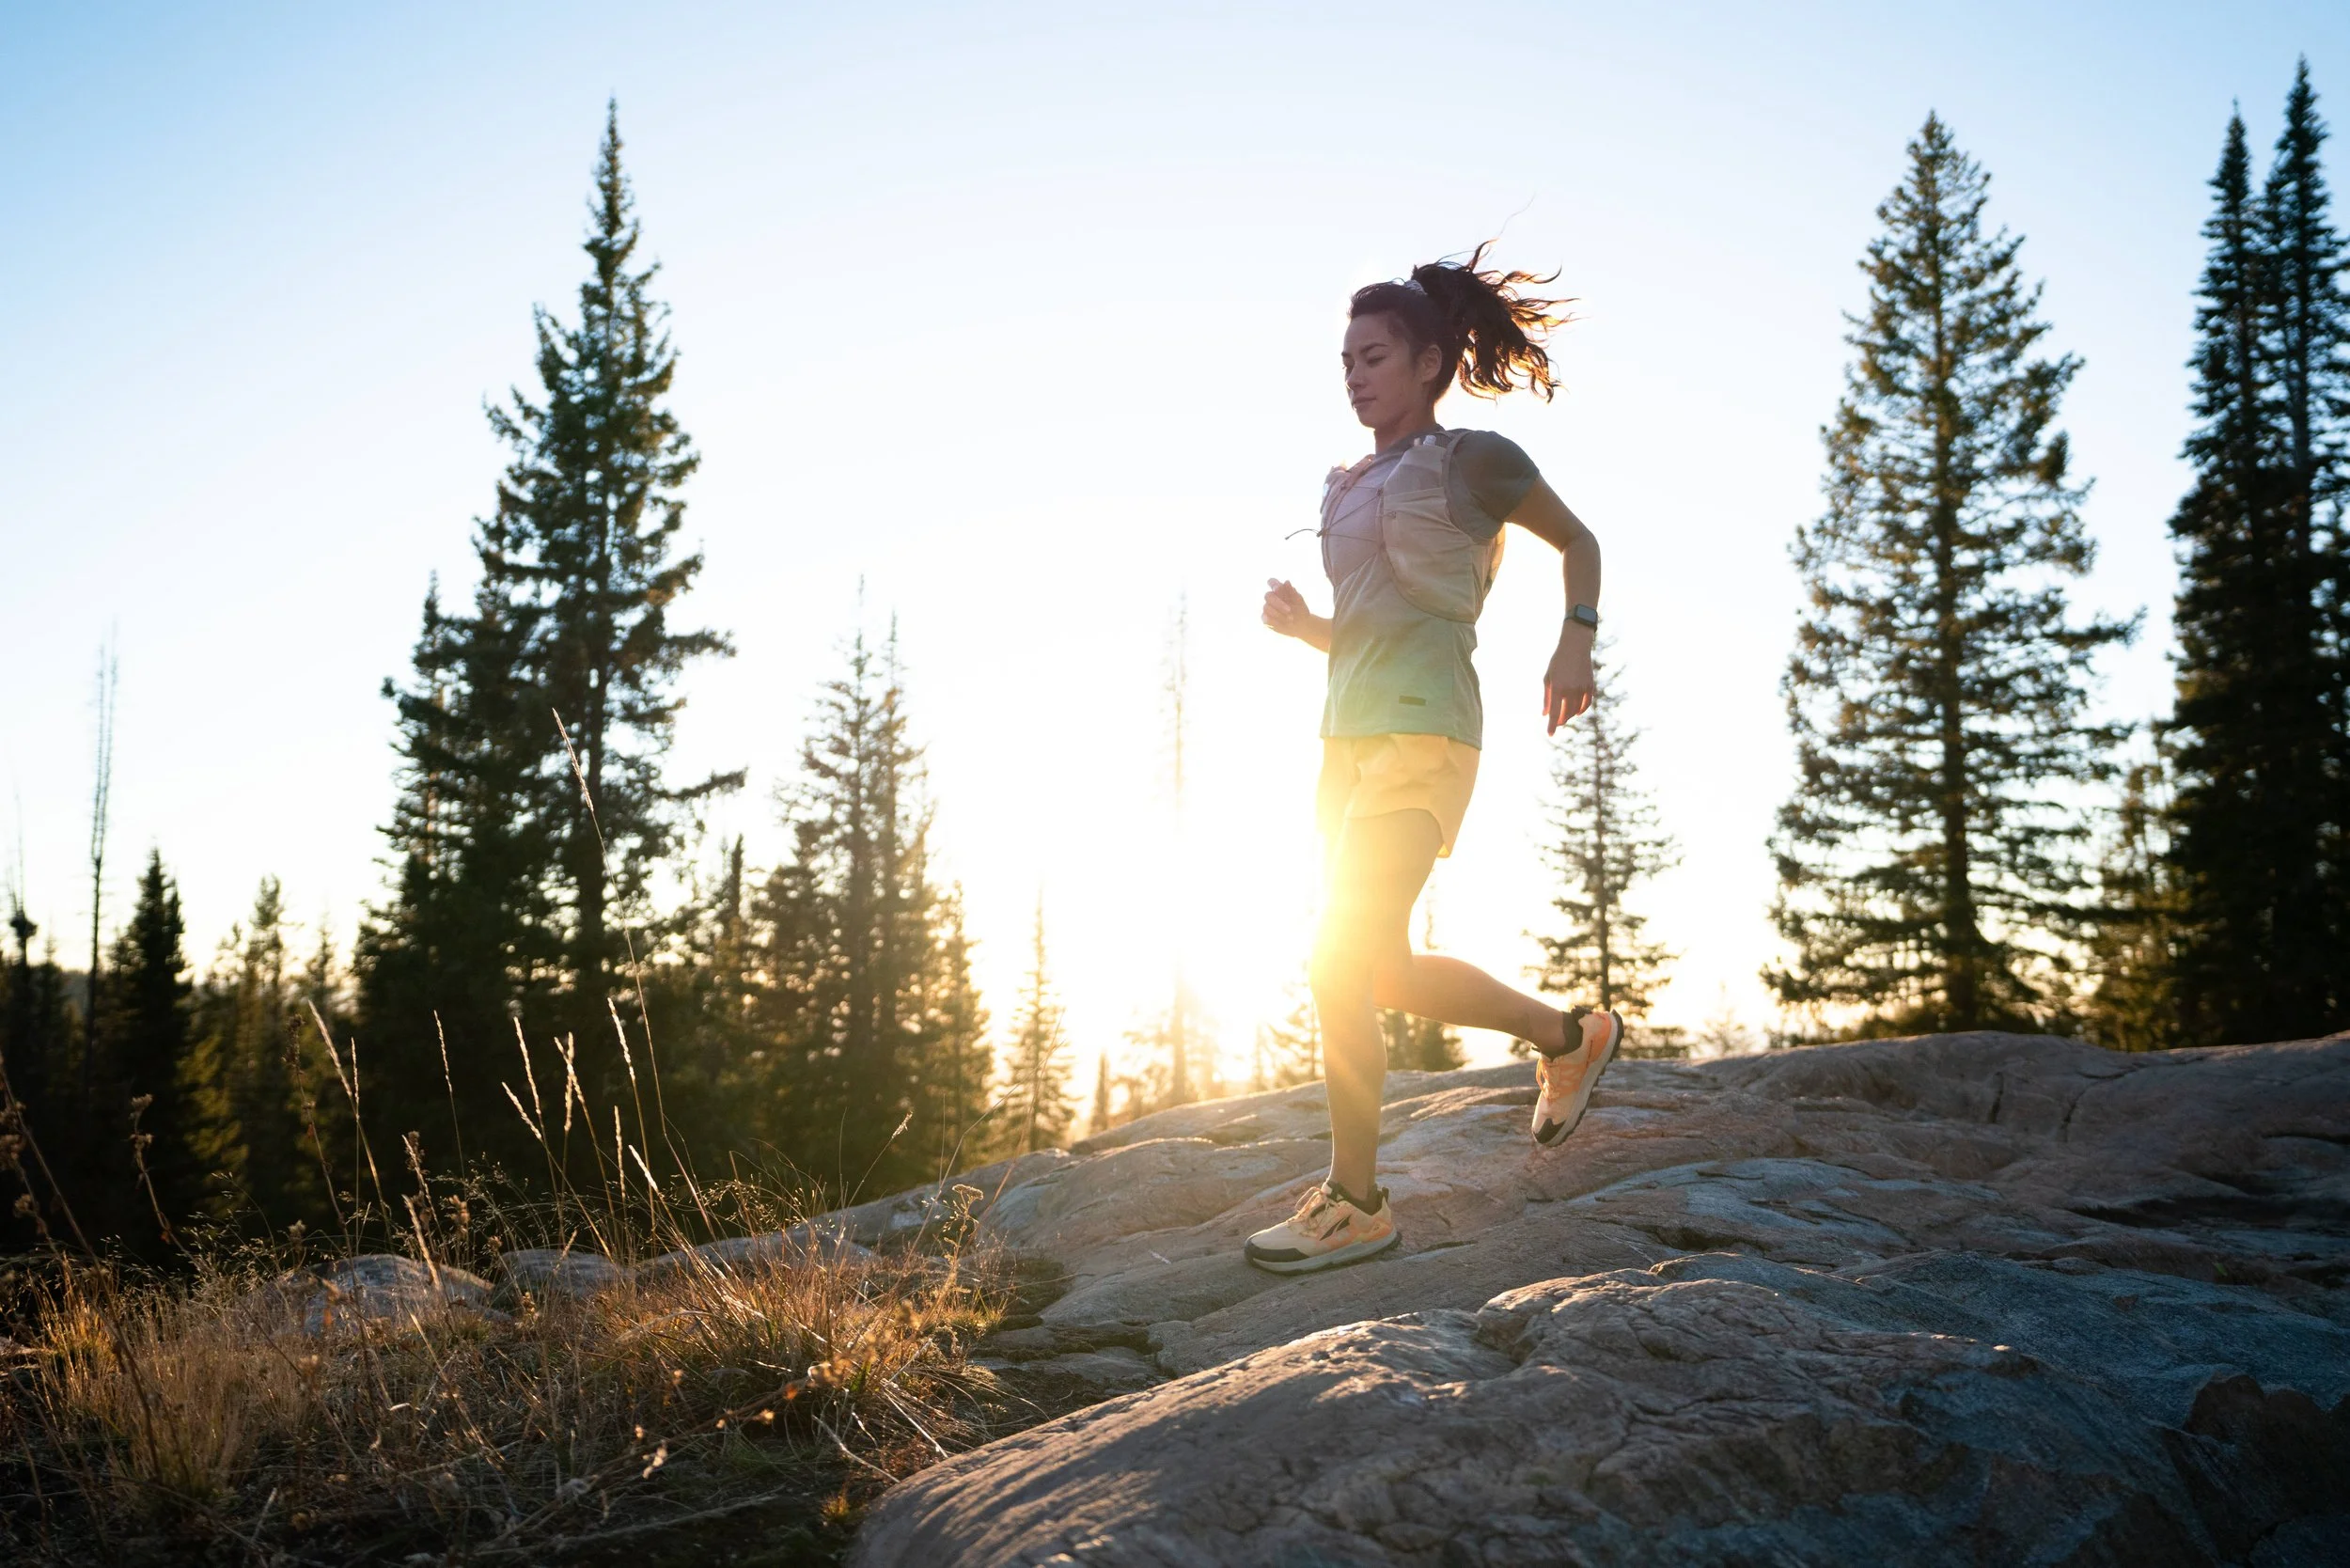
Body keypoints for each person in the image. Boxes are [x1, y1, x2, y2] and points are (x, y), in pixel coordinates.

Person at [1245, 247, 1622, 1276]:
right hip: (1344, 743)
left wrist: (1575, 637)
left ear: (1425, 362)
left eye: (1374, 356)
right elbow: (1370, 632)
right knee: (1375, 965)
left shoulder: (1475, 462)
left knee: (1337, 961)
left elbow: (1577, 539)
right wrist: (1305, 631)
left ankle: (1357, 1203)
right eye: (1345, 361)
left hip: (1426, 733)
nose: (1355, 375)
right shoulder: (1347, 485)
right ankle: (1566, 1037)